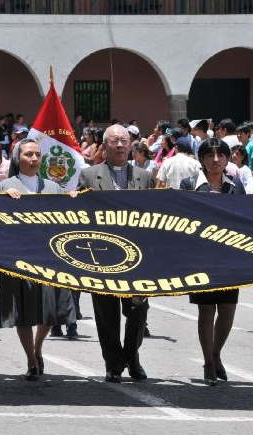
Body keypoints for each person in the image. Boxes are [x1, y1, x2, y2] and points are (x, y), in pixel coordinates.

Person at [0, 138, 78, 380]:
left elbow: (68, 215)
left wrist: (71, 196)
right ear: (17, 158)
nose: (33, 159)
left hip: (48, 258)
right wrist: (3, 198)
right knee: (23, 313)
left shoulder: (52, 187)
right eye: (28, 154)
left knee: (50, 311)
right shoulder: (5, 186)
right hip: (18, 259)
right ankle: (31, 359)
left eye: (37, 155)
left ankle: (38, 347)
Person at [78, 124, 153, 383]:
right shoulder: (89, 176)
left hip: (138, 258)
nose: (120, 145)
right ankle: (113, 363)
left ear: (131, 144)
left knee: (138, 309)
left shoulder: (144, 177)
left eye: (124, 140)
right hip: (102, 255)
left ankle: (131, 356)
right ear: (104, 146)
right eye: (114, 141)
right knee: (106, 313)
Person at [180, 138, 244, 386]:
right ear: (202, 160)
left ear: (228, 159)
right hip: (201, 257)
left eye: (220, 155)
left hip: (229, 258)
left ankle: (217, 353)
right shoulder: (189, 185)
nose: (215, 160)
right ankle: (208, 361)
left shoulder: (235, 186)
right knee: (206, 310)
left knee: (228, 309)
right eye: (209, 155)